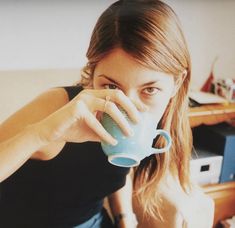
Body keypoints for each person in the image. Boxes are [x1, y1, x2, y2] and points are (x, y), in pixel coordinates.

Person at [0, 0, 214, 227]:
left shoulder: (153, 129)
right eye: (112, 87)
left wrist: (124, 217)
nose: (128, 109)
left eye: (149, 89)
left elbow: (116, 171)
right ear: (92, 74)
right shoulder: (58, 107)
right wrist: (41, 134)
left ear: (176, 83)